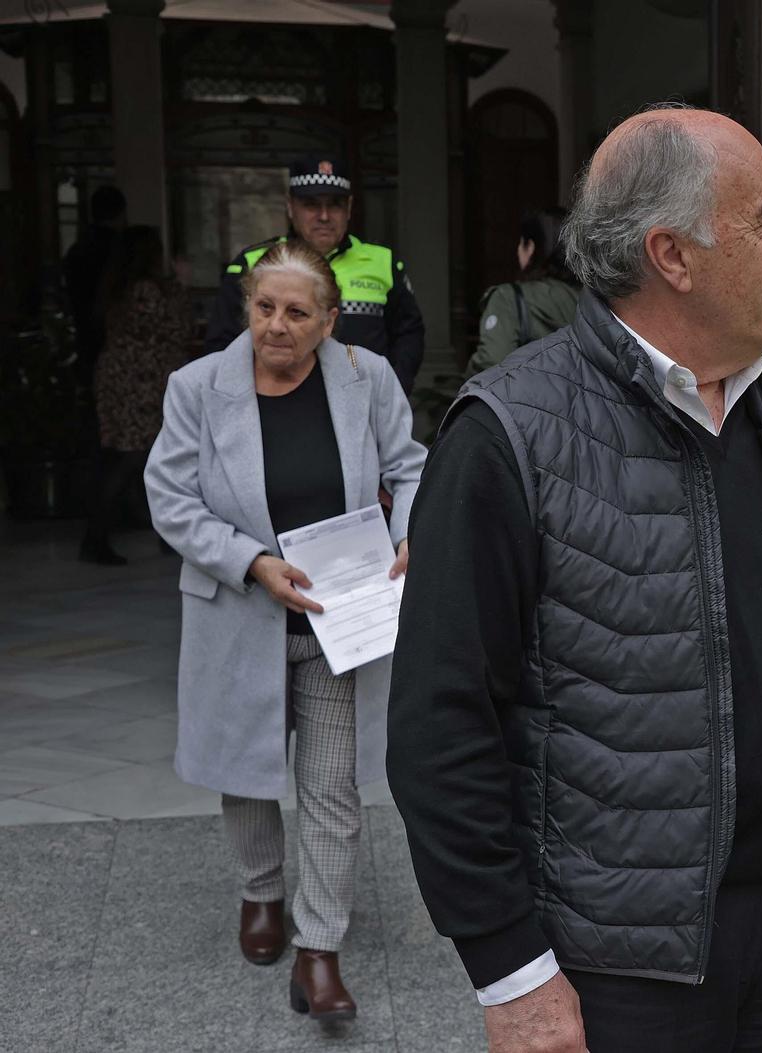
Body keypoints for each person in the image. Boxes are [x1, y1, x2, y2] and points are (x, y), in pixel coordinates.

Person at [386, 103, 762, 1053]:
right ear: (672, 255)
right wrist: (512, 972)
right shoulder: (507, 432)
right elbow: (440, 723)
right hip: (618, 959)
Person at [145, 240, 426, 1025]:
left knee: (332, 786)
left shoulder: (368, 381)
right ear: (248, 310)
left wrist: (411, 528)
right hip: (242, 607)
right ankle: (260, 891)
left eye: (298, 312)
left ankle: (319, 949)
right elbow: (170, 497)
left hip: (339, 615)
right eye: (265, 308)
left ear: (330, 321)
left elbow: (410, 467)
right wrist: (252, 561)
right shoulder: (197, 388)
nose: (277, 324)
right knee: (248, 767)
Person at [202, 156, 425, 393]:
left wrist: (392, 388)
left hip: (364, 403)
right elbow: (222, 344)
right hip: (273, 402)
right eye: (311, 204)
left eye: (335, 204)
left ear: (349, 207)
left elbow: (408, 334)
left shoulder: (384, 262)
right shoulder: (254, 263)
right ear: (290, 206)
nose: (325, 216)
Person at [79, 226, 192, 565]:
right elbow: (176, 328)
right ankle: (95, 537)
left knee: (135, 456)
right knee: (137, 457)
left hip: (125, 379)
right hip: (138, 383)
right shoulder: (145, 290)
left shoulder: (122, 288)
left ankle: (161, 534)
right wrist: (182, 283)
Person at [468, 208, 581, 376]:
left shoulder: (508, 298)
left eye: (521, 243)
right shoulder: (595, 298)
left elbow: (490, 363)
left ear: (531, 247)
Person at [61, 185, 127, 385]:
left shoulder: (78, 249)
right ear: (121, 214)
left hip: (85, 336)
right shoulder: (120, 251)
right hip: (117, 340)